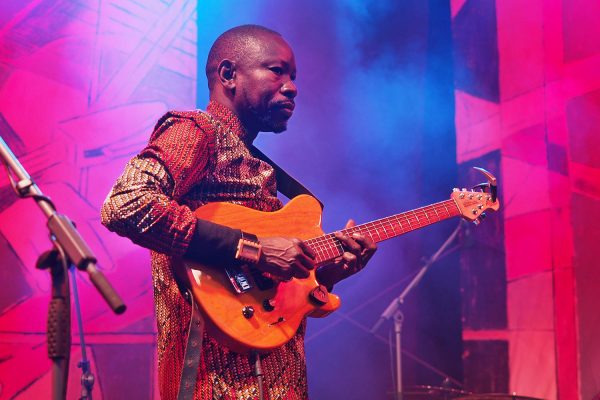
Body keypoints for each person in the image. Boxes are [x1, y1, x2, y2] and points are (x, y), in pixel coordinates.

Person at [101, 24, 377, 400]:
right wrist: (255, 248)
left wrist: (324, 276)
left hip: (280, 379)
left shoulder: (254, 162)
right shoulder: (195, 132)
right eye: (277, 71)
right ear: (229, 75)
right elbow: (127, 202)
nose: (292, 86)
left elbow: (262, 290)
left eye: (293, 76)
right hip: (209, 382)